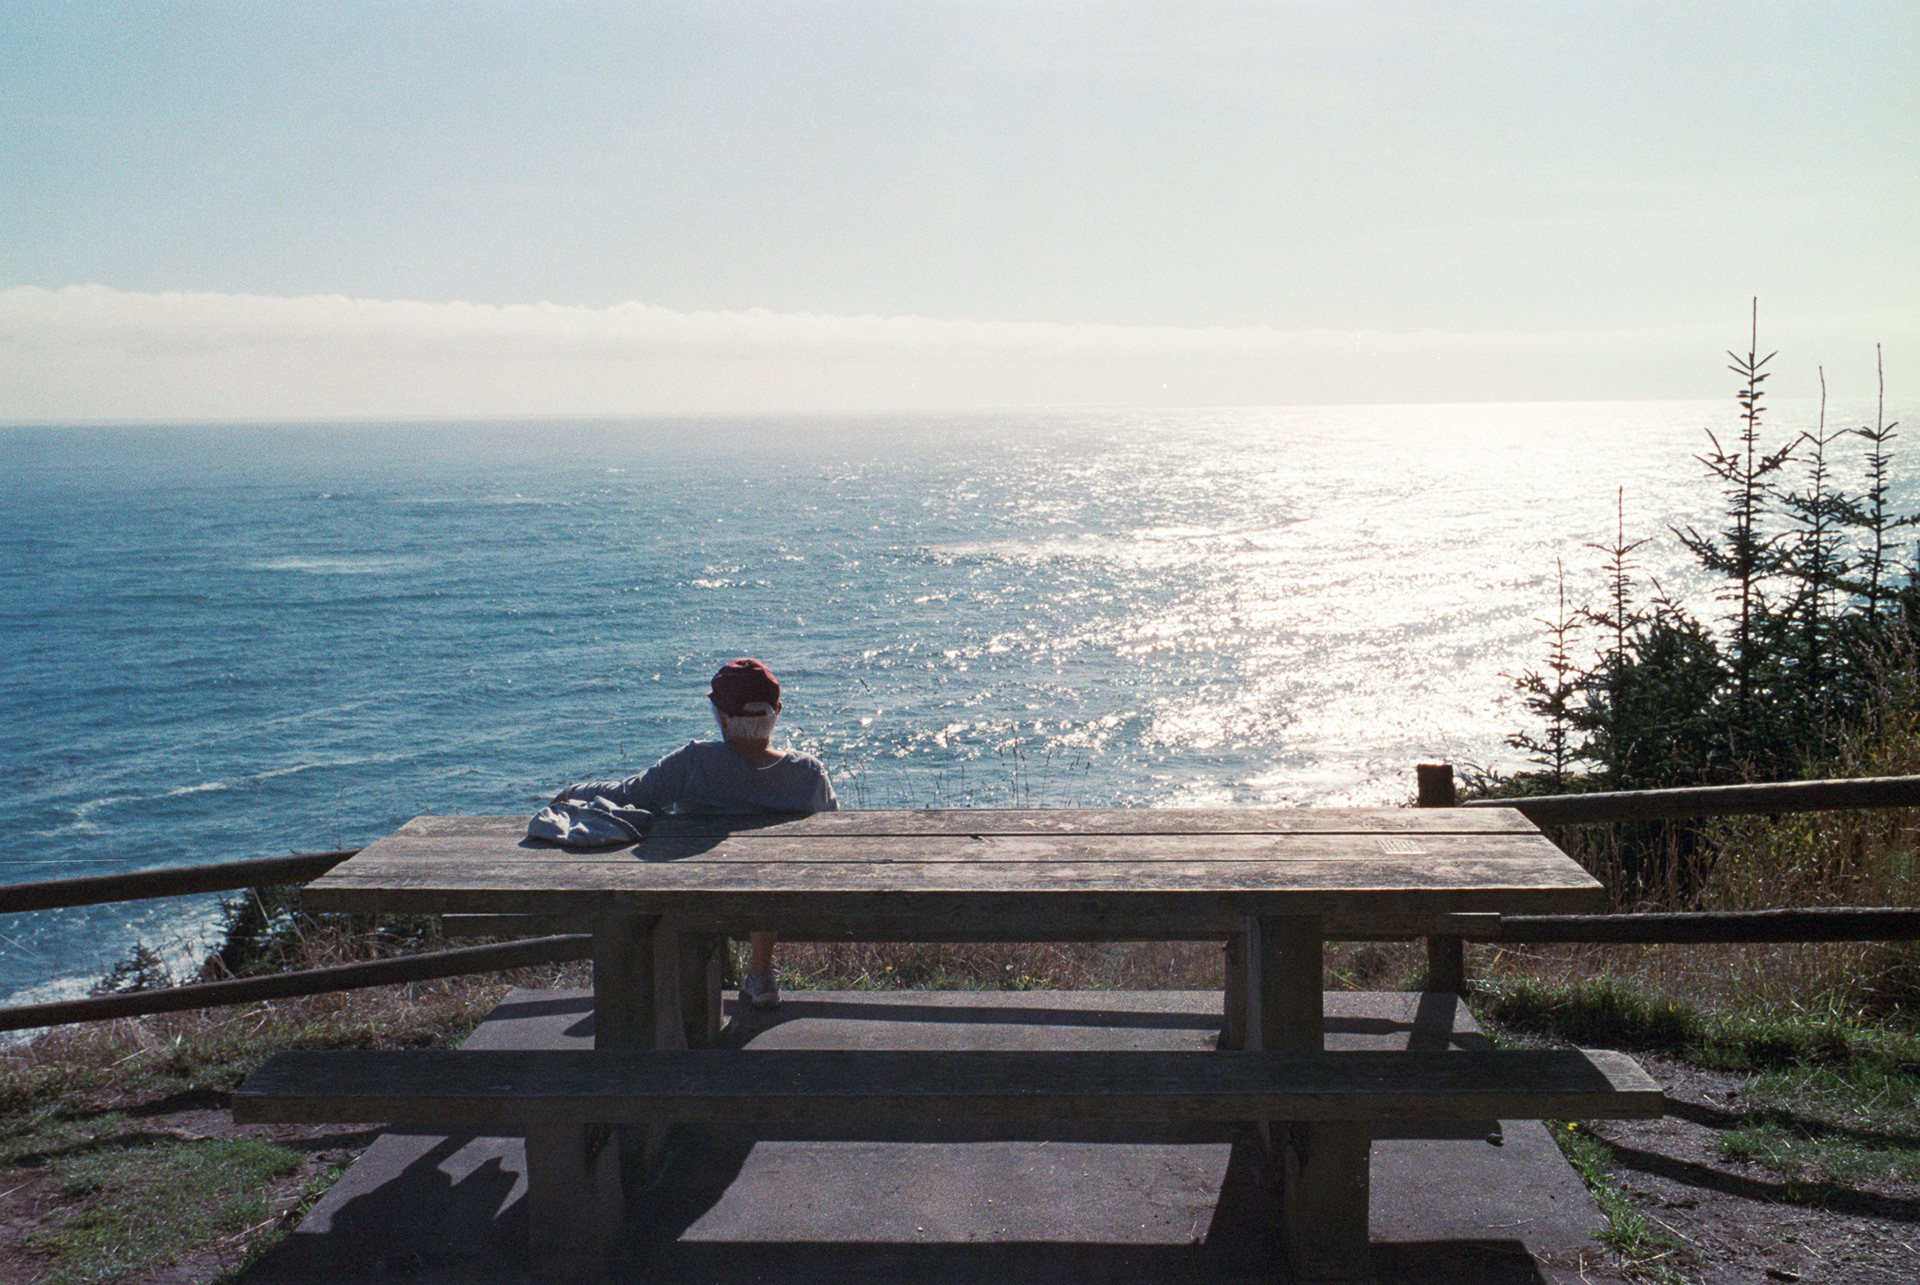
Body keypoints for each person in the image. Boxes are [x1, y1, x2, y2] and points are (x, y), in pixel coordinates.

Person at [545, 658, 835, 1011]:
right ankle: (760, 972)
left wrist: (574, 791)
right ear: (777, 711)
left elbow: (627, 795)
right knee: (768, 875)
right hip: (779, 903)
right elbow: (833, 831)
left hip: (701, 898)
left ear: (721, 716)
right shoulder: (807, 773)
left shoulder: (695, 762)